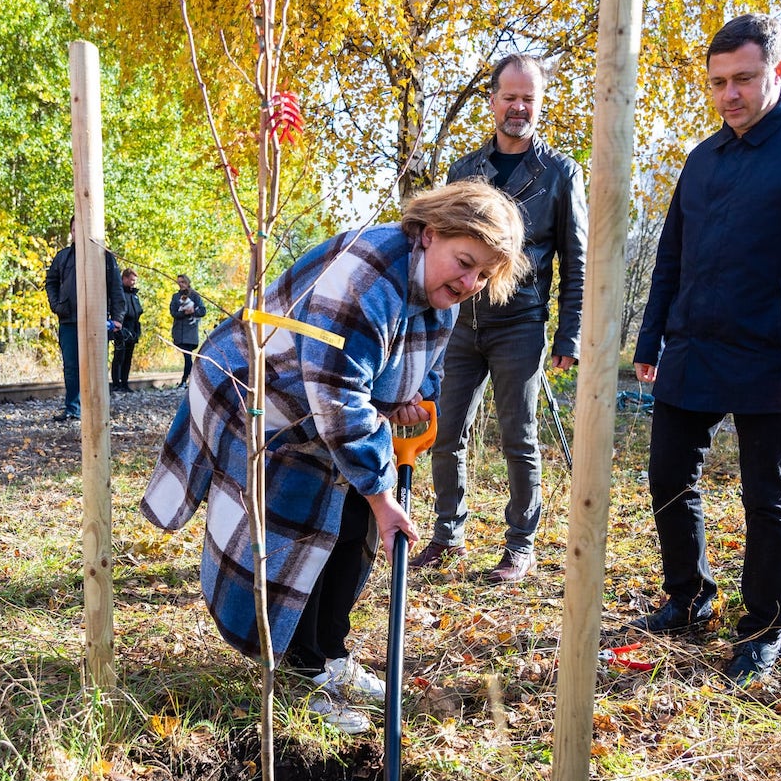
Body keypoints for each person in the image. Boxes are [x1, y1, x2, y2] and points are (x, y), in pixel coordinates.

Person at [141, 181, 527, 731]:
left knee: (354, 531)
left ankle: (330, 653)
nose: (470, 283)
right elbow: (339, 397)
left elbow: (427, 364)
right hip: (262, 398)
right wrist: (381, 495)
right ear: (431, 233)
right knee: (299, 530)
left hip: (322, 405)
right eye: (465, 263)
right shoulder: (366, 279)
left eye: (484, 276)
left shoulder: (438, 289)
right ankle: (301, 676)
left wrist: (419, 399)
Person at [629, 13, 781, 685]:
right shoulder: (703, 159)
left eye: (743, 79)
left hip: (774, 354)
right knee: (668, 475)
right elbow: (670, 257)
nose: (729, 94)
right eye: (717, 82)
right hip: (694, 349)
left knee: (769, 497)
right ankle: (689, 596)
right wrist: (651, 339)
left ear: (778, 72)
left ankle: (762, 628)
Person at [410, 53, 587, 585]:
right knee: (446, 432)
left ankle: (520, 545)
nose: (519, 107)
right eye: (510, 96)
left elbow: (576, 258)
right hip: (460, 323)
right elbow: (437, 245)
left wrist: (570, 331)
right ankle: (447, 537)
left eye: (529, 98)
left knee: (519, 436)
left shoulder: (560, 173)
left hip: (522, 324)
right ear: (492, 100)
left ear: (540, 103)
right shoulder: (465, 171)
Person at [44, 220, 124, 421]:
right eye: (73, 229)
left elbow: (116, 287)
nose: (77, 233)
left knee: (96, 365)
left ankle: (98, 408)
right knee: (72, 367)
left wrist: (117, 318)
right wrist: (57, 305)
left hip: (97, 320)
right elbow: (51, 282)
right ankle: (73, 409)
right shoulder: (63, 257)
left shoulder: (104, 256)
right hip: (69, 320)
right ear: (71, 231)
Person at [169, 273, 207, 387]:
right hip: (179, 331)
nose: (181, 284)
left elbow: (203, 311)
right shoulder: (175, 297)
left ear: (187, 282)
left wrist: (193, 312)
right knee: (186, 357)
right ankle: (188, 381)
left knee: (187, 357)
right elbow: (173, 312)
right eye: (179, 282)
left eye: (183, 282)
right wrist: (184, 313)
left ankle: (185, 380)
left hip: (190, 331)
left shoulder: (195, 296)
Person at [112, 268, 145, 393]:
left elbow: (138, 311)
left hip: (133, 330)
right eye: (131, 280)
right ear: (124, 278)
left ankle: (125, 383)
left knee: (128, 358)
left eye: (134, 280)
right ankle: (116, 384)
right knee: (119, 356)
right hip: (121, 329)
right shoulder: (119, 293)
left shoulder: (134, 295)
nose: (133, 283)